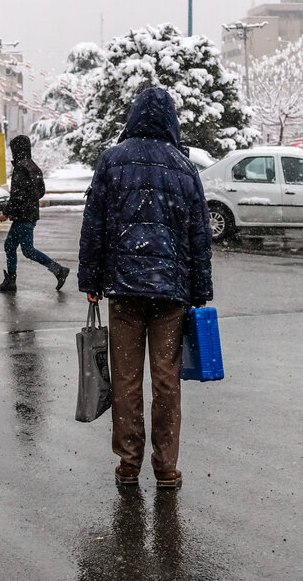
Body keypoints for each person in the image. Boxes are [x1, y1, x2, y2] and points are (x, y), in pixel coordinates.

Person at [78, 87, 213, 490]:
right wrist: (200, 291)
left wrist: (91, 280)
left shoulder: (112, 161)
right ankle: (166, 466)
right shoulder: (183, 166)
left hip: (124, 289)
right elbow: (199, 235)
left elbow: (94, 225)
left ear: (133, 117)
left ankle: (128, 463)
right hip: (170, 294)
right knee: (167, 381)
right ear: (172, 120)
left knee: (126, 378)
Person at [0, 135, 71, 293]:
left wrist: (5, 213)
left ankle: (59, 270)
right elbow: (40, 192)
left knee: (28, 250)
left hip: (24, 217)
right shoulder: (33, 166)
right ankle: (10, 281)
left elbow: (17, 196)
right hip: (27, 215)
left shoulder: (21, 168)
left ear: (16, 150)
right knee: (9, 246)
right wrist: (29, 200)